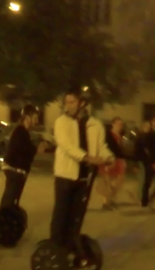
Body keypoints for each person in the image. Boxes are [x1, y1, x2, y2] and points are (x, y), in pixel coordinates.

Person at [51, 86, 114, 261]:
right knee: (61, 216)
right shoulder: (61, 122)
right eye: (66, 102)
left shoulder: (95, 125)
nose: (68, 106)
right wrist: (89, 158)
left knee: (76, 217)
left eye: (72, 102)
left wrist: (108, 157)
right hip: (65, 176)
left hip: (84, 178)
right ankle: (55, 251)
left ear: (82, 103)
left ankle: (72, 248)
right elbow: (67, 147)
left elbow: (101, 147)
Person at [0, 104, 46, 208]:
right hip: (14, 171)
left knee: (12, 201)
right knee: (9, 201)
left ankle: (8, 218)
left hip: (17, 171)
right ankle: (2, 220)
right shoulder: (20, 131)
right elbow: (24, 150)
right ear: (27, 117)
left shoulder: (23, 132)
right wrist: (37, 149)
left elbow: (25, 150)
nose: (36, 121)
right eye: (35, 118)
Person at [135, 117, 155, 211]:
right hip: (151, 162)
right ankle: (144, 202)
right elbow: (148, 150)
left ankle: (149, 199)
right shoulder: (149, 134)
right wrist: (153, 162)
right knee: (147, 182)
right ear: (152, 123)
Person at [97, 117, 127, 209]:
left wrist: (123, 159)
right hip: (109, 159)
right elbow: (105, 147)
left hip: (118, 160)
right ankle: (105, 202)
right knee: (107, 181)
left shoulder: (120, 135)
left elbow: (120, 150)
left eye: (121, 124)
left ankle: (111, 199)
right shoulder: (108, 135)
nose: (120, 126)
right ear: (113, 124)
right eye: (118, 124)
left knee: (118, 181)